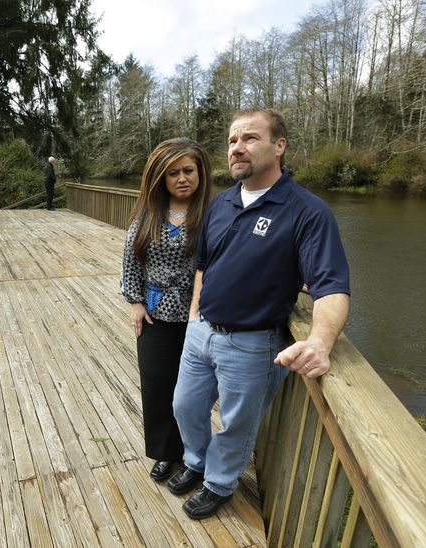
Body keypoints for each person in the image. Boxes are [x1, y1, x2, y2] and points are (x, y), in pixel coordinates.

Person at [169, 109, 351, 520]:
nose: (237, 148)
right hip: (202, 333)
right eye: (233, 140)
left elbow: (332, 287)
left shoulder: (307, 211)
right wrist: (196, 315)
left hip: (252, 344)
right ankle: (195, 460)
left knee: (236, 424)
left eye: (250, 138)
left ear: (279, 146)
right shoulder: (222, 202)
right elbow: (203, 264)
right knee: (185, 406)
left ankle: (219, 482)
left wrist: (321, 342)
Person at [121, 138, 212, 483]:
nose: (182, 178)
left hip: (197, 315)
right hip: (155, 314)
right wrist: (134, 301)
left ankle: (193, 455)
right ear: (161, 177)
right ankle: (165, 452)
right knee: (158, 386)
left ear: (200, 172)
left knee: (191, 392)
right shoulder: (149, 213)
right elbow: (131, 259)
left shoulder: (213, 215)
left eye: (189, 170)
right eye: (173, 173)